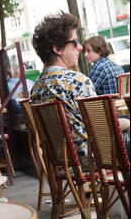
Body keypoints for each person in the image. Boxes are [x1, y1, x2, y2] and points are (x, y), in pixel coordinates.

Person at [31, 11, 129, 161]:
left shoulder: (36, 88)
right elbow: (103, 127)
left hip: (63, 160)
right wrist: (127, 123)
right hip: (94, 159)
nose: (80, 48)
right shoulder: (77, 81)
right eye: (74, 42)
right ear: (57, 48)